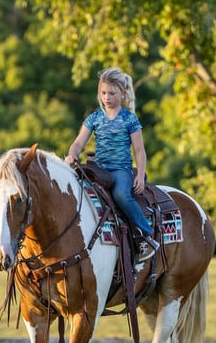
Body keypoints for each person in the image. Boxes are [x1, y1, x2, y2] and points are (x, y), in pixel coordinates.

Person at [65, 67, 160, 261]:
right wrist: (72, 154)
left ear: (123, 94)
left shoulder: (129, 119)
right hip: (99, 168)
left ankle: (146, 235)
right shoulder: (95, 118)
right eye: (103, 93)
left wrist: (140, 175)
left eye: (112, 93)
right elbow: (78, 142)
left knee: (121, 195)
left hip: (120, 169)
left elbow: (140, 152)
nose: (107, 97)